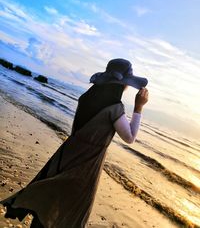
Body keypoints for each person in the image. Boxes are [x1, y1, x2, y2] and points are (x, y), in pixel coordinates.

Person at [0, 58, 148, 228]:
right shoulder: (115, 107)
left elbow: (78, 128)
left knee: (51, 195)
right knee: (74, 207)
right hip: (88, 161)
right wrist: (139, 107)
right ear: (123, 82)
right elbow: (129, 137)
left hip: (68, 152)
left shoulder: (86, 97)